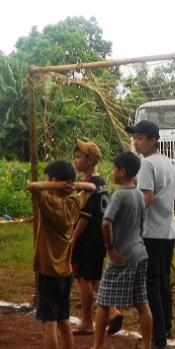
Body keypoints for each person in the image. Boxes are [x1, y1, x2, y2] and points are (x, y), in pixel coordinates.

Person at [22, 160, 96, 349]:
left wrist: (57, 185)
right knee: (64, 324)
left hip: (49, 274)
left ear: (52, 181)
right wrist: (70, 187)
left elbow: (31, 186)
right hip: (65, 273)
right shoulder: (73, 203)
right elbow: (91, 188)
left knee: (50, 326)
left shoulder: (48, 201)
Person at [74, 151, 154, 349]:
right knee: (142, 302)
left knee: (103, 302)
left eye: (115, 169)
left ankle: (97, 348)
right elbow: (142, 227)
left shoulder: (119, 195)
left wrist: (110, 247)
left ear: (123, 171)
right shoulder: (139, 194)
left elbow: (106, 222)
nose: (113, 173)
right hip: (139, 253)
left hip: (121, 256)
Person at [126, 120, 175, 349]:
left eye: (140, 138)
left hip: (152, 231)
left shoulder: (146, 164)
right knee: (163, 280)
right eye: (134, 137)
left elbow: (146, 199)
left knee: (151, 283)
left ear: (153, 140)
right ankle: (166, 325)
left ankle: (157, 336)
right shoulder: (166, 162)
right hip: (169, 230)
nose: (135, 142)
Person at [71, 139, 123, 336]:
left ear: (90, 160)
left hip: (87, 238)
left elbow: (84, 216)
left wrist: (74, 238)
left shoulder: (88, 183)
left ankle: (86, 321)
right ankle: (112, 311)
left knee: (83, 278)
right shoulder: (100, 182)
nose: (76, 160)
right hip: (100, 237)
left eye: (79, 157)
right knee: (95, 279)